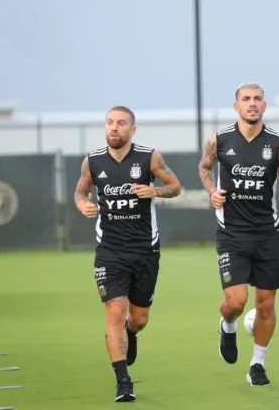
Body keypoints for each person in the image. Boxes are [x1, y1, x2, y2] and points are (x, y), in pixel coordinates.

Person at [74, 106, 182, 402]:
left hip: (145, 250)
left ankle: (131, 334)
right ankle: (123, 381)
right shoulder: (92, 161)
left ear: (132, 130)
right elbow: (81, 192)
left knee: (139, 318)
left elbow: (175, 186)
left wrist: (155, 192)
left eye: (121, 124)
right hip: (110, 250)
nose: (114, 128)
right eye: (109, 123)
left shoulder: (150, 157)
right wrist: (82, 204)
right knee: (114, 311)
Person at [197, 82, 279, 386]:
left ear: (264, 105)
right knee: (237, 302)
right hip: (232, 234)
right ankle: (227, 325)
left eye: (257, 99)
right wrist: (212, 191)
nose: (252, 103)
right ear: (236, 106)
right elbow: (204, 169)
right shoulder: (218, 141)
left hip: (267, 234)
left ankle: (257, 364)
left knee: (266, 303)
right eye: (246, 99)